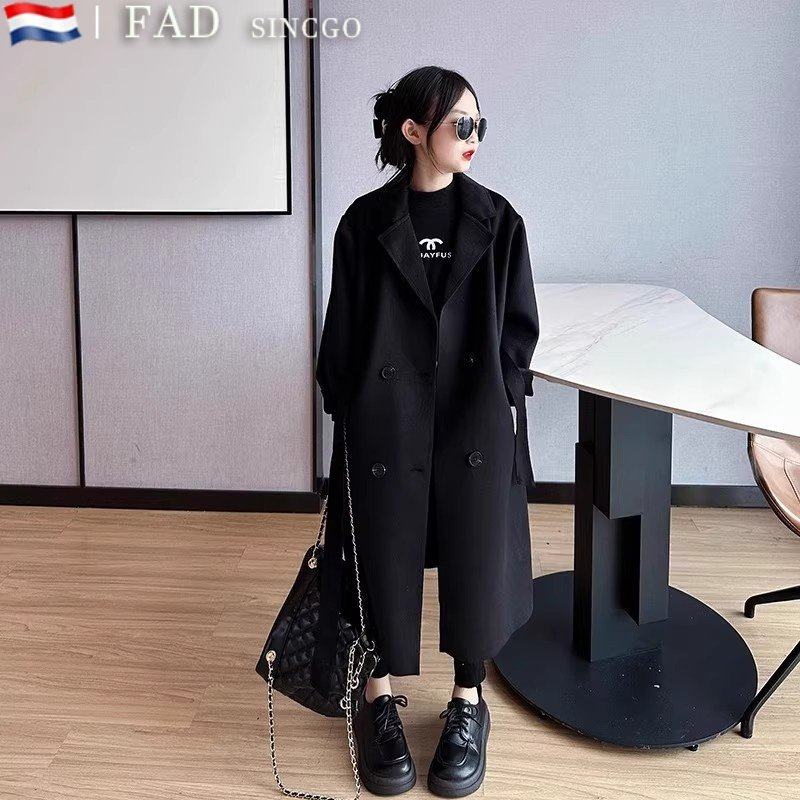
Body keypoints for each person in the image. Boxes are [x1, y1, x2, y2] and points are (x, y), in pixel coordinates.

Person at [315, 65, 540, 797]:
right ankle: (377, 696)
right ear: (414, 131)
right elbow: (343, 329)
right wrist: (346, 406)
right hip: (387, 421)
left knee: (476, 555)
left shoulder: (499, 219)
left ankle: (468, 701)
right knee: (379, 552)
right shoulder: (364, 222)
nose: (474, 137)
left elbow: (520, 325)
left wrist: (504, 390)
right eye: (460, 124)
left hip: (473, 416)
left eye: (480, 123)